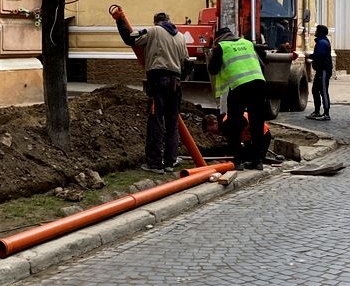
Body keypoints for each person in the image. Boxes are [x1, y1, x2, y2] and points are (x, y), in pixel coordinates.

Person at [116, 11, 190, 172]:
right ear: (169, 21)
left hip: (158, 80)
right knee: (172, 123)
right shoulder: (180, 37)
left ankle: (155, 163)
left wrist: (119, 22)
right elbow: (186, 61)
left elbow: (131, 39)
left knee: (156, 121)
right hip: (175, 82)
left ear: (156, 21)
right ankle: (170, 162)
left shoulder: (153, 31)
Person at [208, 27, 271, 170]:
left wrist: (212, 55)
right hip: (259, 83)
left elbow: (213, 69)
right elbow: (262, 64)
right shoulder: (247, 43)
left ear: (218, 39)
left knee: (234, 123)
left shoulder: (222, 47)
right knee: (257, 122)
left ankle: (238, 161)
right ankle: (257, 161)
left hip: (239, 87)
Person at [307, 24, 332, 121]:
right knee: (315, 90)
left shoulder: (322, 42)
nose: (315, 31)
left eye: (317, 30)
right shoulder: (321, 41)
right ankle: (317, 111)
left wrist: (310, 56)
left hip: (323, 70)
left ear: (320, 32)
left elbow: (320, 55)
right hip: (320, 70)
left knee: (323, 91)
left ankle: (326, 114)